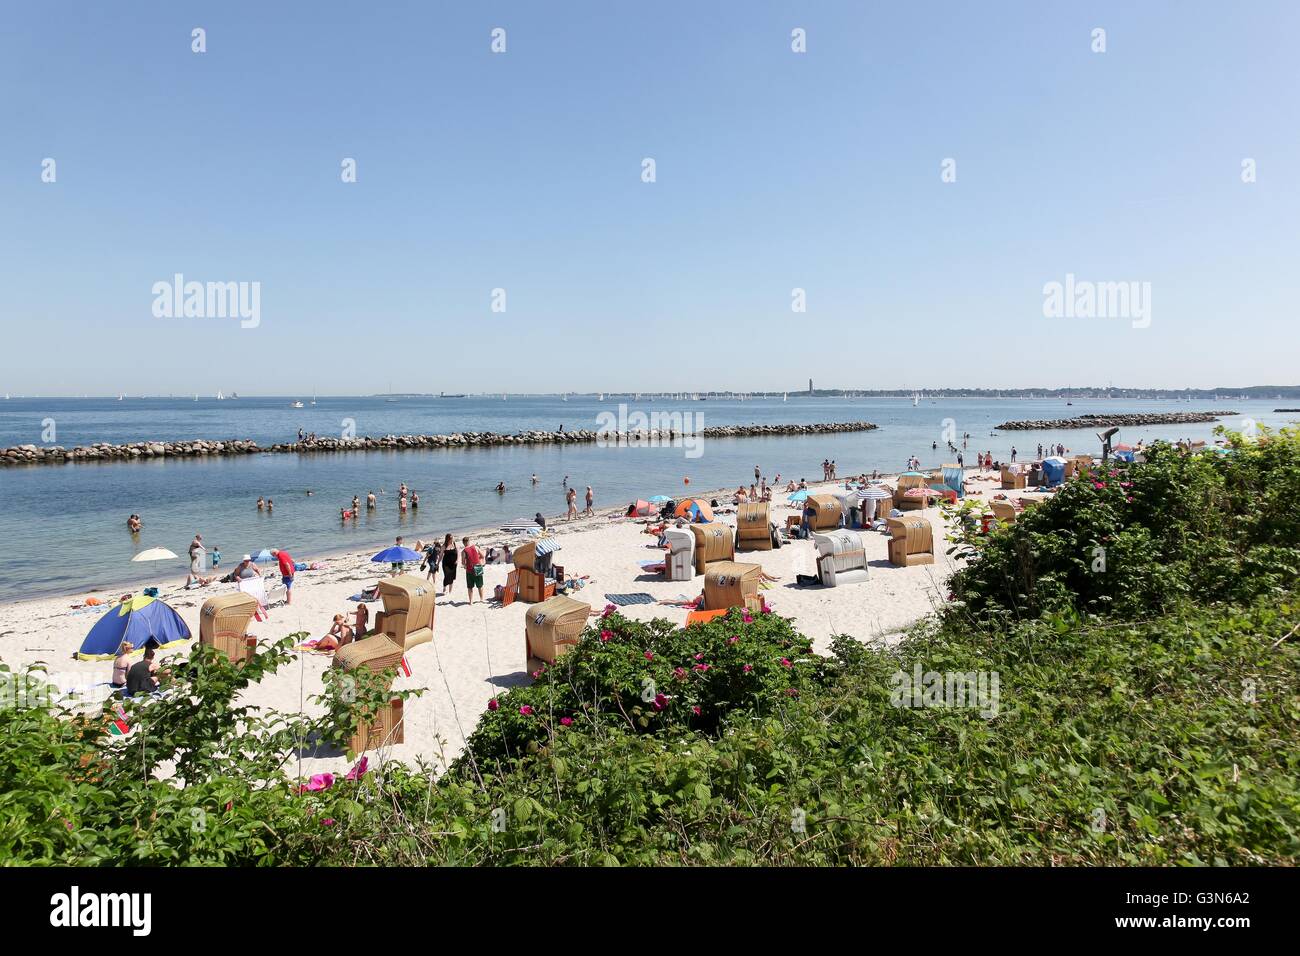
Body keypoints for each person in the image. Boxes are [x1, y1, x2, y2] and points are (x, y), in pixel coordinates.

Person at [462, 536, 485, 604]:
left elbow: (463, 562)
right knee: (480, 585)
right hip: (478, 567)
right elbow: (483, 555)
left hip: (469, 569)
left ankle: (471, 601)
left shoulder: (464, 551)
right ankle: (481, 599)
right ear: (469, 541)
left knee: (470, 586)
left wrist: (465, 565)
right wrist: (477, 558)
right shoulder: (476, 547)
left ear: (463, 543)